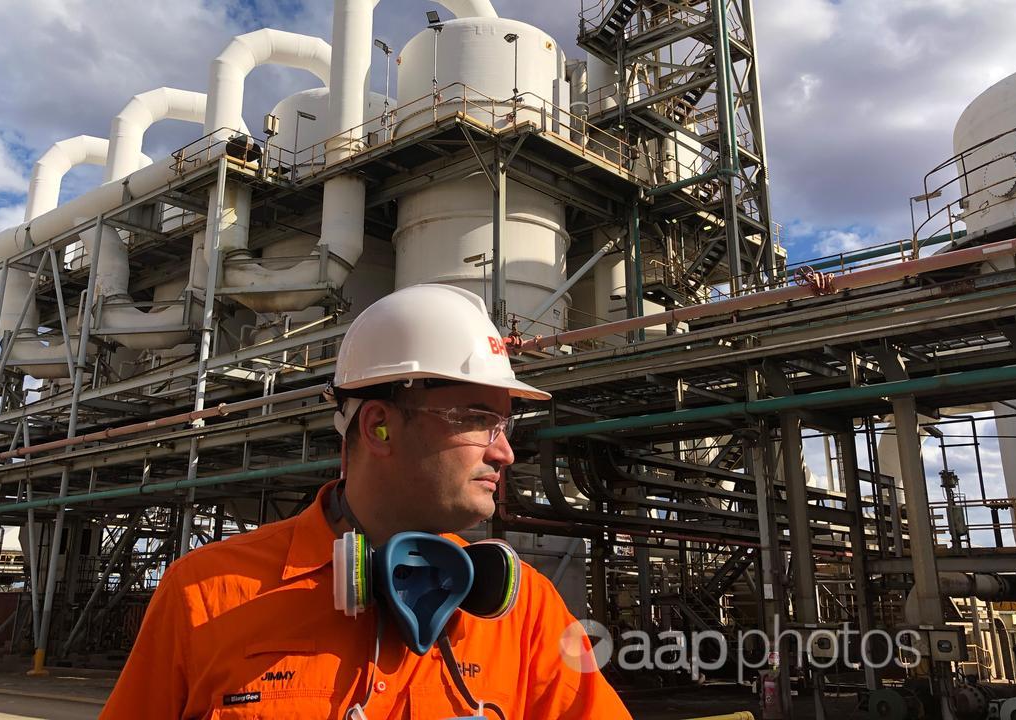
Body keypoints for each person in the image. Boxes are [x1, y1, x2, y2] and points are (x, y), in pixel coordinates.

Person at [101, 284, 630, 719]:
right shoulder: (206, 595)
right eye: (476, 420)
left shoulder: (527, 612)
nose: (506, 452)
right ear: (378, 426)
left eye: (505, 424)